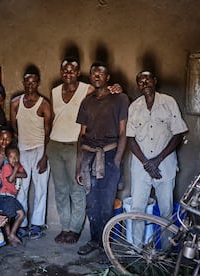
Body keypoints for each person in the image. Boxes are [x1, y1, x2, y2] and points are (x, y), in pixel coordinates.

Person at [48, 57, 123, 245]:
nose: (68, 73)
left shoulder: (98, 92)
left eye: (72, 70)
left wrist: (118, 88)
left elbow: (123, 129)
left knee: (87, 193)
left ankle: (83, 233)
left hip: (92, 149)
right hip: (67, 147)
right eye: (65, 70)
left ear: (79, 72)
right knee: (69, 192)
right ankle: (72, 231)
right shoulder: (63, 94)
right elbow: (67, 127)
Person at [126, 71, 188, 246]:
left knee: (166, 211)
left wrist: (157, 160)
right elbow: (130, 139)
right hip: (140, 168)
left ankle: (164, 254)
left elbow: (178, 134)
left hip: (165, 167)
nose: (144, 83)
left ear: (155, 81)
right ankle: (136, 250)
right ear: (137, 85)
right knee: (137, 210)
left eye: (147, 79)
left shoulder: (169, 102)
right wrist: (147, 163)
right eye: (140, 81)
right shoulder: (134, 107)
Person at [75, 62, 129, 258]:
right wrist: (78, 165)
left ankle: (106, 244)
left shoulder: (120, 99)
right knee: (91, 202)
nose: (96, 76)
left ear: (108, 77)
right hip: (89, 156)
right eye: (93, 73)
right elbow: (81, 136)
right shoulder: (86, 102)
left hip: (109, 155)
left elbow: (124, 132)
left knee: (106, 204)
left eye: (101, 73)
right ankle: (94, 240)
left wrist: (116, 160)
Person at [10, 68, 52, 240]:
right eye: (27, 81)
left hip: (40, 149)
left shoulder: (44, 104)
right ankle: (22, 223)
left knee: (41, 188)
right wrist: (21, 144)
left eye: (33, 81)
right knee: (22, 188)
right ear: (23, 82)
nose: (30, 85)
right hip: (22, 150)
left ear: (38, 83)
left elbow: (49, 130)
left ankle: (36, 224)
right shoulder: (15, 103)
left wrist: (45, 156)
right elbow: (14, 126)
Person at [0, 144, 27, 247]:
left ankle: (11, 235)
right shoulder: (6, 167)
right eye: (11, 157)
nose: (14, 159)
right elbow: (10, 179)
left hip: (12, 197)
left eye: (16, 157)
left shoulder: (17, 167)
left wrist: (15, 172)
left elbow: (25, 175)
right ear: (7, 158)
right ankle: (10, 236)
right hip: (6, 196)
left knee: (21, 214)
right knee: (8, 218)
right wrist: (16, 170)